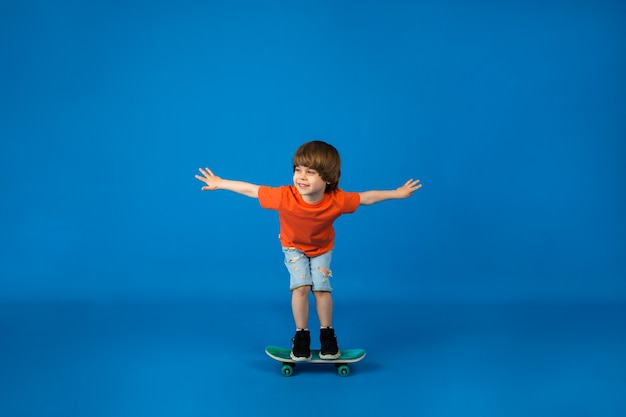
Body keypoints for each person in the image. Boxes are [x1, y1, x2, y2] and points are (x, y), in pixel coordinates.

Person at [195, 140, 421, 360]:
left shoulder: (337, 200)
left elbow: (367, 198)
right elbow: (252, 190)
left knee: (322, 289)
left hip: (322, 248)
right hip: (293, 247)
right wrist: (221, 182)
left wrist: (396, 193)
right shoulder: (284, 196)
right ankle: (301, 336)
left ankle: (327, 336)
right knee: (301, 288)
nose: (301, 177)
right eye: (298, 170)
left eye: (310, 172)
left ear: (328, 178)